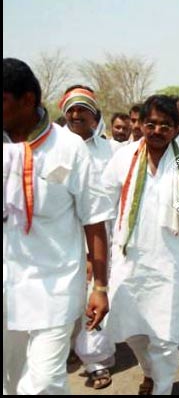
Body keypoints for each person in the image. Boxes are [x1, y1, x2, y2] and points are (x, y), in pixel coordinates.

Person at [3, 58, 113, 394]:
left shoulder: (69, 148)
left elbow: (94, 221)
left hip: (56, 285)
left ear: (27, 101)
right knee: (10, 381)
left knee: (44, 384)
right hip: (7, 286)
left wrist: (100, 287)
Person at [101, 94, 179, 395]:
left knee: (165, 336)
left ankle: (162, 386)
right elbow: (102, 205)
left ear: (177, 129)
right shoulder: (123, 157)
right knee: (133, 330)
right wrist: (98, 257)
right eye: (151, 123)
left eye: (166, 125)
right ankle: (149, 372)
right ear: (141, 124)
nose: (157, 131)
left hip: (170, 262)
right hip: (130, 260)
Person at [60, 85, 116, 389]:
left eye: (83, 109)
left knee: (96, 300)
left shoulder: (112, 150)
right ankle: (71, 349)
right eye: (71, 109)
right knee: (70, 302)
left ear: (96, 116)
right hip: (69, 238)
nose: (76, 114)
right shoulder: (58, 151)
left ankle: (96, 362)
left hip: (108, 236)